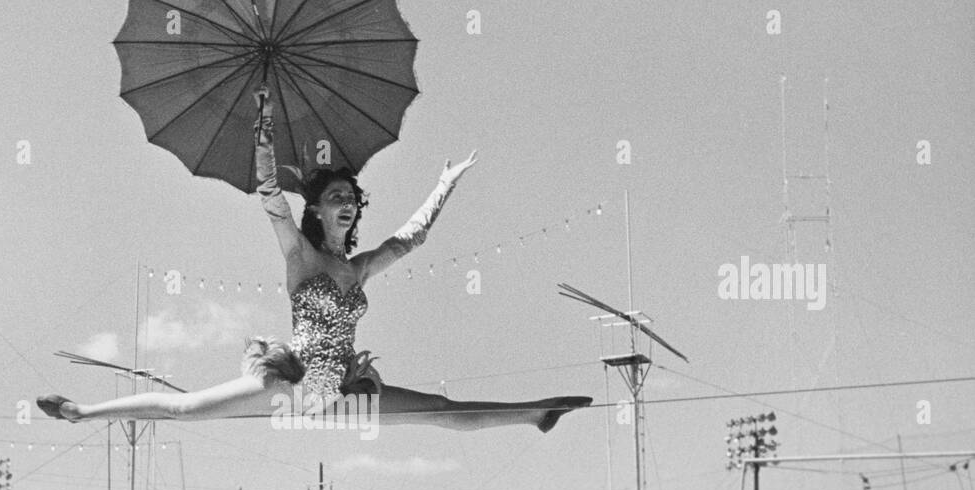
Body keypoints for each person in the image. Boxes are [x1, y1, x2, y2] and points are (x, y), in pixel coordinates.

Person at [39, 92, 592, 432]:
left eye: (354, 198)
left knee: (439, 410)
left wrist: (444, 184)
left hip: (343, 387)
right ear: (318, 211)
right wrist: (264, 126)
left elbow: (412, 238)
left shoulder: (358, 268)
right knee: (186, 410)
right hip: (296, 382)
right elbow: (269, 195)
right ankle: (81, 413)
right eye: (338, 197)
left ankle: (534, 414)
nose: (349, 203)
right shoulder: (300, 257)